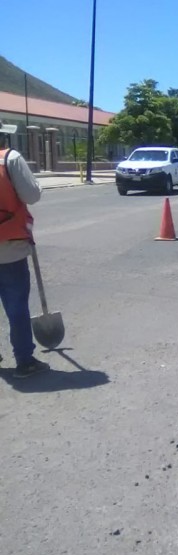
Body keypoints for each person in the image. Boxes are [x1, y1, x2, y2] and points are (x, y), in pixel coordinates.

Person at [0, 121, 49, 377]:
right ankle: (24, 360)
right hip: (9, 246)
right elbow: (31, 196)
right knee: (16, 304)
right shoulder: (10, 159)